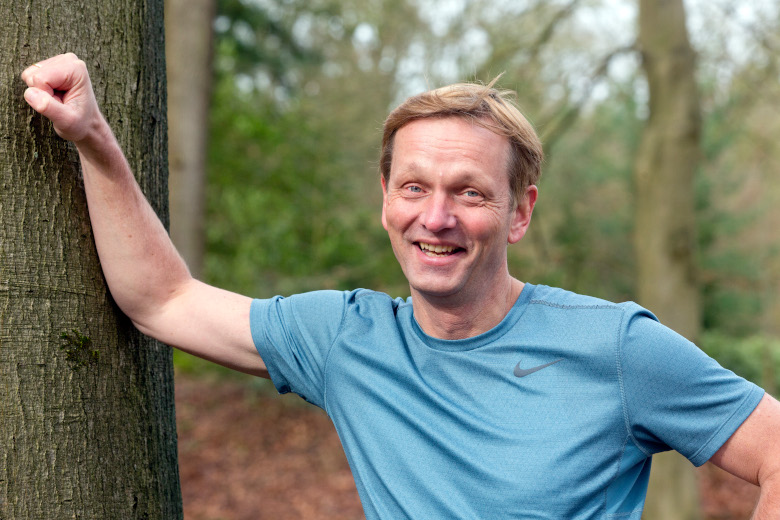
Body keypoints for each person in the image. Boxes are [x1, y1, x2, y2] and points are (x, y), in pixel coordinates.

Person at [21, 53, 780, 519]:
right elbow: (163, 300)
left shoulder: (615, 348)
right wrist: (93, 140)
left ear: (520, 213)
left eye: (471, 193)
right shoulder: (346, 339)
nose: (437, 217)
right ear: (385, 197)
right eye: (414, 187)